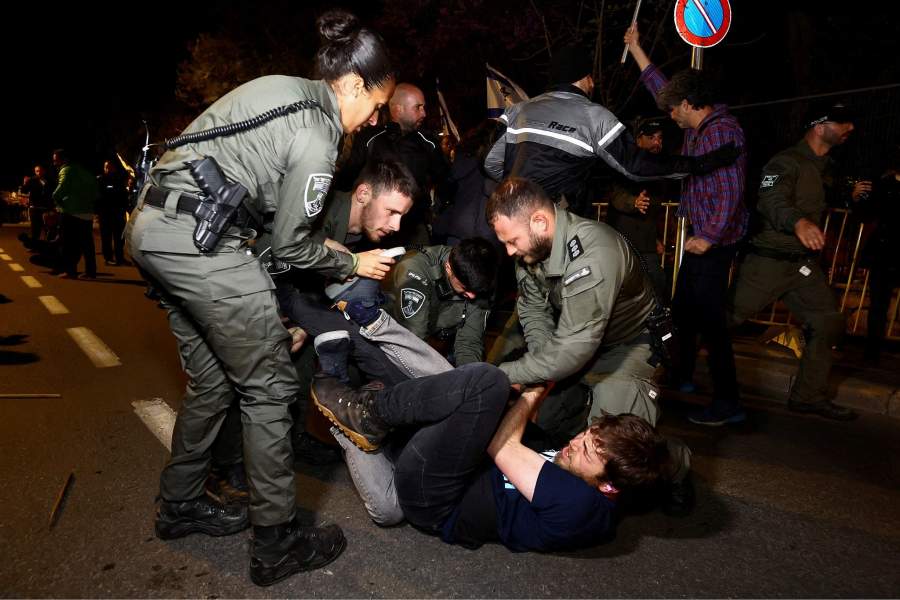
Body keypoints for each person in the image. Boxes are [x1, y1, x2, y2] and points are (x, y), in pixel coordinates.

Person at [125, 9, 396, 586]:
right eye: (374, 106)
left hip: (156, 228)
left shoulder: (282, 90)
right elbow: (294, 244)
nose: (372, 120)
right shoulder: (318, 133)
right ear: (350, 85)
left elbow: (264, 225)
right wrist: (349, 260)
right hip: (199, 240)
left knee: (215, 380)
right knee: (270, 383)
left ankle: (179, 505)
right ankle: (277, 542)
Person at [485, 177, 693, 513]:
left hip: (629, 348)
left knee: (613, 448)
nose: (509, 251)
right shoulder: (532, 246)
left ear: (539, 221)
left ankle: (674, 464)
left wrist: (498, 373)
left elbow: (571, 351)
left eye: (512, 241)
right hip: (580, 342)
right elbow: (534, 308)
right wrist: (542, 360)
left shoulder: (594, 253)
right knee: (542, 423)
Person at [311, 357, 669, 551]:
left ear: (608, 487)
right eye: (588, 433)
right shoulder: (577, 467)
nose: (576, 442)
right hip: (452, 466)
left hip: (435, 501)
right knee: (430, 382)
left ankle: (366, 412)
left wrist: (534, 393)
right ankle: (343, 352)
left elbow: (502, 446)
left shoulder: (582, 506)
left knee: (486, 383)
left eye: (587, 451)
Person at [625, 25, 748, 426]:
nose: (670, 115)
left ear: (691, 104)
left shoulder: (722, 133)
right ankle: (681, 376)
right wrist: (637, 49)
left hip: (714, 243)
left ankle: (728, 401)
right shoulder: (699, 127)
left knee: (710, 322)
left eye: (674, 109)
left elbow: (731, 190)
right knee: (683, 312)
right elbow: (661, 87)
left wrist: (709, 238)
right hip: (702, 239)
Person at [484, 44, 740, 218]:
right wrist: (700, 163)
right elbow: (636, 166)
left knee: (532, 295)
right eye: (591, 77)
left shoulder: (519, 110)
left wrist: (517, 189)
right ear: (583, 78)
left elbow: (490, 162)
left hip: (512, 216)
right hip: (557, 223)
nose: (594, 83)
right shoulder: (594, 116)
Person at [274, 159, 417, 465]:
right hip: (263, 296)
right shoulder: (318, 206)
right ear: (363, 194)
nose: (396, 226)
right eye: (391, 212)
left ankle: (298, 437)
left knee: (323, 352)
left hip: (303, 302)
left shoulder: (362, 233)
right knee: (360, 343)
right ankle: (407, 413)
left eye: (402, 216)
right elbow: (279, 238)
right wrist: (333, 250)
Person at [728, 103, 862, 421]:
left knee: (828, 321)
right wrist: (798, 222)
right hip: (768, 262)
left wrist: (850, 195)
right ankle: (668, 365)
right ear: (819, 127)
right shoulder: (786, 161)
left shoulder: (825, 166)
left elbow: (820, 196)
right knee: (723, 318)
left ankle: (808, 397)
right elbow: (770, 200)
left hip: (802, 267)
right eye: (842, 121)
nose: (850, 128)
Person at [337, 82, 450, 245]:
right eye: (418, 107)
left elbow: (445, 178)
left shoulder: (428, 143)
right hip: (370, 230)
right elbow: (348, 178)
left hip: (413, 229)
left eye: (423, 107)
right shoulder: (369, 137)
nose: (424, 113)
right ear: (398, 109)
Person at [384, 238, 498, 366]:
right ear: (448, 268)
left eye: (476, 290)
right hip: (391, 336)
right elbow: (415, 342)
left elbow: (469, 343)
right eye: (465, 288)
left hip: (435, 336)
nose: (472, 296)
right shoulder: (415, 270)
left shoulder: (480, 281)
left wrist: (470, 378)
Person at [605, 116, 673, 299]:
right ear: (639, 139)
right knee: (618, 286)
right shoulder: (622, 162)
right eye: (651, 138)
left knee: (657, 283)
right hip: (621, 240)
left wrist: (657, 238)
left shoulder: (658, 169)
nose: (657, 143)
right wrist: (634, 202)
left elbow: (655, 207)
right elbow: (615, 194)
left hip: (646, 242)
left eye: (660, 138)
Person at [856, 147, 900, 361]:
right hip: (885, 253)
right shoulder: (884, 184)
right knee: (878, 304)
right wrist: (856, 197)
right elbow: (865, 214)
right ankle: (872, 351)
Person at [432, 120, 504, 248]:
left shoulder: (459, 162)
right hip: (485, 236)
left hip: (456, 231)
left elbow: (444, 192)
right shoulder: (494, 165)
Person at [51, 149, 99, 280]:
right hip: (87, 213)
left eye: (56, 160)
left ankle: (70, 271)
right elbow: (96, 193)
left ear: (64, 159)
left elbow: (59, 191)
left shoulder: (66, 170)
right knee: (87, 245)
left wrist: (58, 202)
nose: (54, 163)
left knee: (69, 244)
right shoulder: (86, 172)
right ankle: (91, 272)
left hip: (71, 212)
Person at [96, 159, 130, 266]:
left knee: (119, 238)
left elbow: (124, 196)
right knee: (106, 237)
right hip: (105, 214)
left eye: (110, 167)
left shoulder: (119, 180)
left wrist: (125, 209)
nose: (108, 169)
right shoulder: (101, 180)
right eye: (106, 167)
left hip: (118, 213)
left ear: (114, 168)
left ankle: (120, 258)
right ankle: (108, 258)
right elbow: (97, 197)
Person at [20, 164, 54, 248]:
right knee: (35, 229)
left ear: (44, 171)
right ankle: (34, 246)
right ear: (35, 172)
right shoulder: (32, 180)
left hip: (46, 208)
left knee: (48, 229)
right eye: (37, 171)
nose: (39, 173)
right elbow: (23, 191)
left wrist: (53, 206)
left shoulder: (50, 181)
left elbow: (54, 193)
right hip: (35, 208)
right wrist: (25, 183)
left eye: (40, 170)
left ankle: (48, 246)